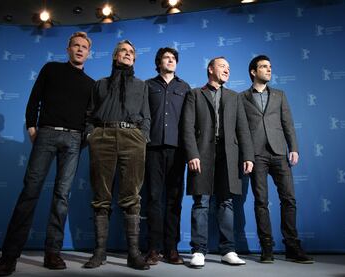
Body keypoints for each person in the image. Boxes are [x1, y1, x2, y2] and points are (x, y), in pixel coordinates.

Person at [0, 32, 94, 276]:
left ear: (88, 53)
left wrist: (84, 139)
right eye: (76, 46)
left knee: (61, 197)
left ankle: (52, 253)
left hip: (73, 139)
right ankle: (9, 257)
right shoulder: (51, 69)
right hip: (46, 134)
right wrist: (31, 126)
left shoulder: (91, 84)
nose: (80, 50)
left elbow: (92, 116)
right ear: (68, 48)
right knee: (30, 192)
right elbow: (34, 98)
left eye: (84, 47)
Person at [181, 57, 254, 268]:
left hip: (228, 154)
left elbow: (243, 129)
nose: (227, 70)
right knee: (201, 201)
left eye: (229, 68)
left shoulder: (234, 97)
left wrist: (248, 155)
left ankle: (228, 250)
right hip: (202, 153)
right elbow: (187, 127)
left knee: (226, 202)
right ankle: (198, 250)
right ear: (210, 69)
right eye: (223, 66)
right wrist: (192, 154)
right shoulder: (195, 94)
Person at [84, 40, 150, 270]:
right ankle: (99, 252)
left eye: (132, 52)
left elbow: (146, 116)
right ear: (115, 56)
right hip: (102, 137)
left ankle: (133, 254)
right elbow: (90, 114)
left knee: (132, 195)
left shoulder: (142, 85)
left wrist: (143, 138)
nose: (128, 54)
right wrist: (91, 135)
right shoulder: (99, 84)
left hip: (133, 137)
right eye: (124, 50)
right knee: (101, 196)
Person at [241, 55, 313, 264]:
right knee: (261, 201)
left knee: (289, 199)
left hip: (280, 152)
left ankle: (292, 246)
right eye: (264, 67)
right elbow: (242, 130)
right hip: (256, 155)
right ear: (253, 72)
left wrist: (294, 148)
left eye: (270, 67)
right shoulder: (242, 97)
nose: (269, 70)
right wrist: (247, 156)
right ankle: (267, 248)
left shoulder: (280, 95)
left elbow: (288, 123)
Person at [144, 47, 190, 265]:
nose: (170, 61)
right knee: (153, 198)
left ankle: (172, 248)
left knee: (174, 200)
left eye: (174, 58)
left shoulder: (185, 87)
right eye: (166, 57)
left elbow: (189, 123)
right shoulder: (148, 86)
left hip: (177, 150)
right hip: (151, 148)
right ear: (158, 61)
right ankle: (153, 248)